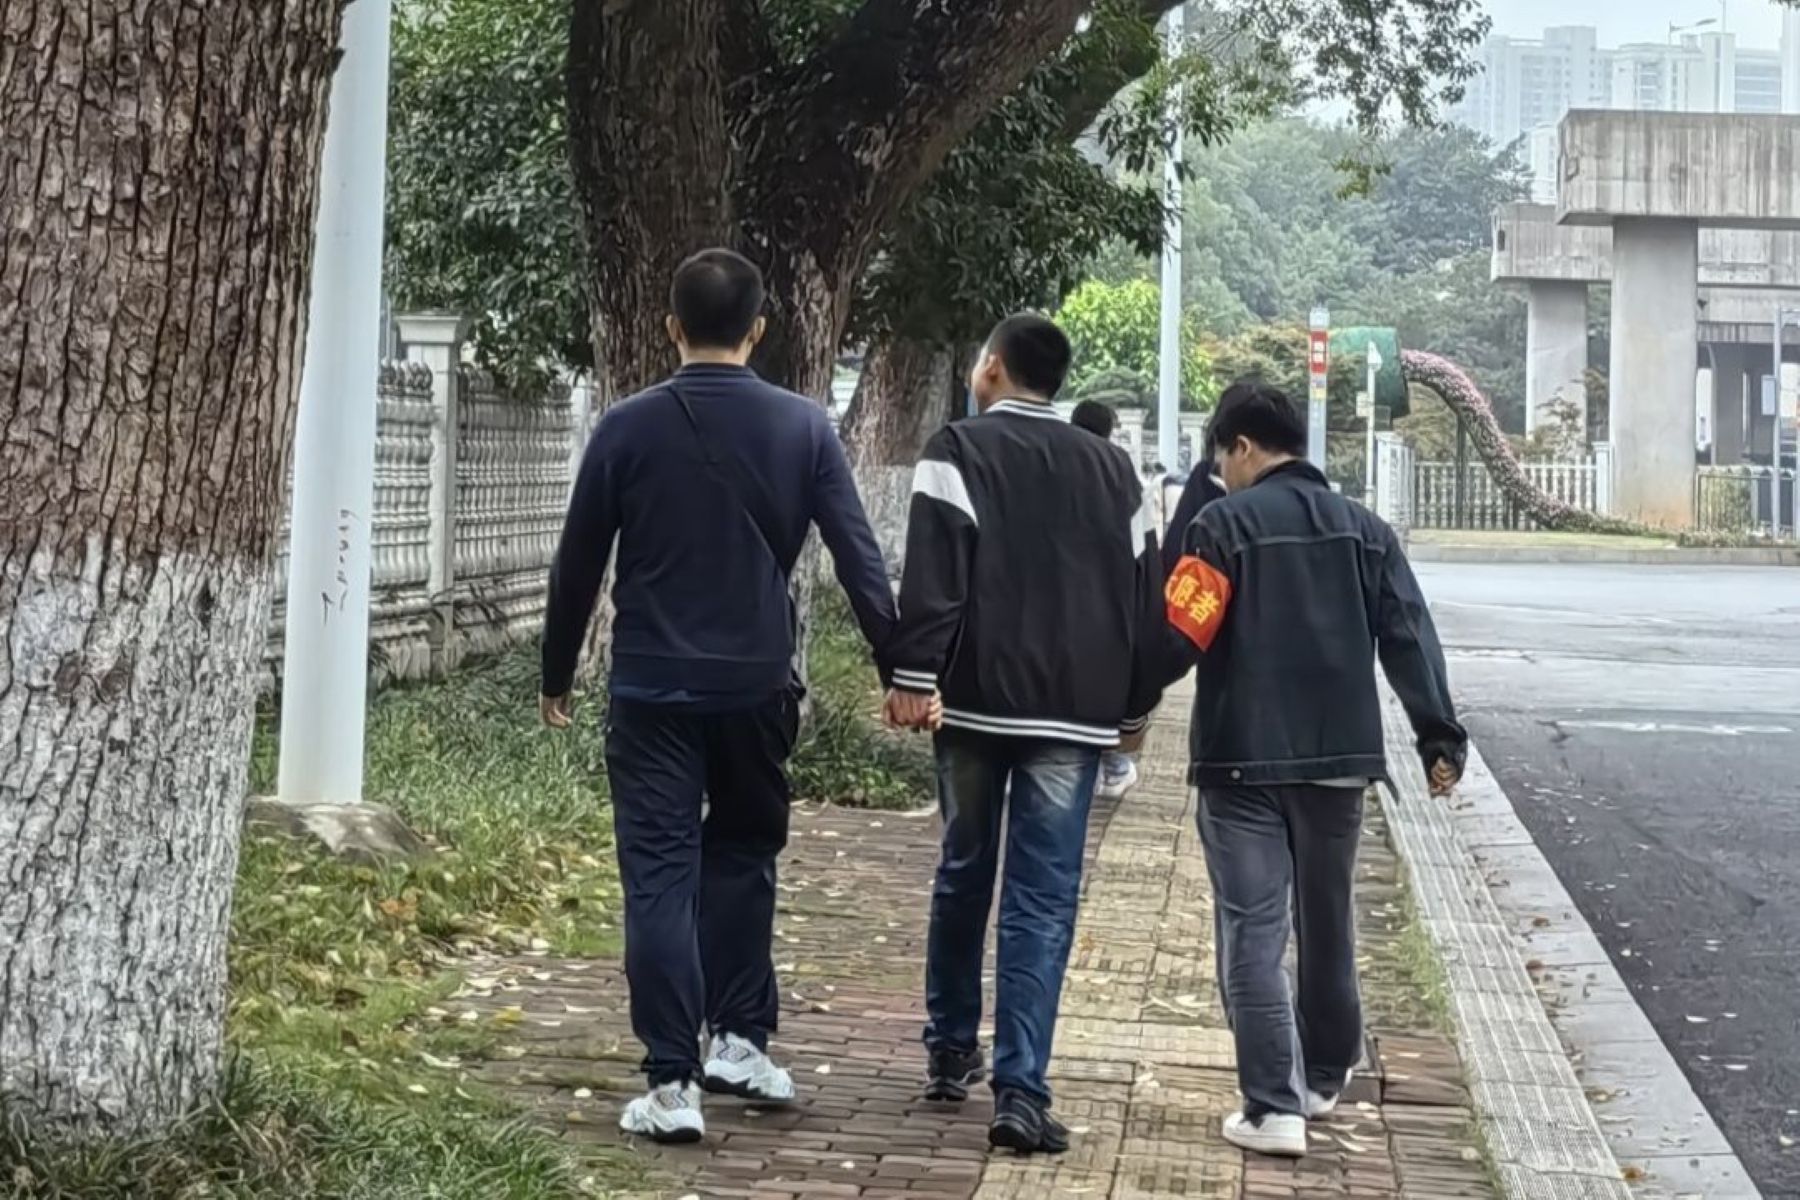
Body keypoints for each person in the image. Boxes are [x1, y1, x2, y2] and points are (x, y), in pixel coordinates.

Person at [540, 248, 899, 1143]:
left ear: (672, 327)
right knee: (742, 858)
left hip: (651, 686)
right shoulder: (804, 428)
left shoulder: (626, 428)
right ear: (759, 329)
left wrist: (556, 674)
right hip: (757, 686)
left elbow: (578, 562)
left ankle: (671, 1084)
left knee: (660, 875)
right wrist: (900, 667)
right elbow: (859, 557)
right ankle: (740, 1041)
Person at [1153, 382, 1466, 1158]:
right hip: (1340, 764)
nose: (1221, 475)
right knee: (1328, 922)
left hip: (1240, 762)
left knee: (1253, 932)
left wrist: (1119, 701)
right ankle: (1324, 1076)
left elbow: (1179, 637)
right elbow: (1408, 635)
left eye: (1221, 460)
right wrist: (1439, 737)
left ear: (1242, 447)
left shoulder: (1219, 527)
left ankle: (1272, 1107)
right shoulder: (1366, 530)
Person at [883, 314, 1165, 1155]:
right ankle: (1021, 1089)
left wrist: (914, 677)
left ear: (993, 368)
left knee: (964, 869)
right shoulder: (1115, 471)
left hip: (973, 705)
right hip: (1073, 714)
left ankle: (948, 1050)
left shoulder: (957, 449)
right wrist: (1132, 710)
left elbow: (934, 578)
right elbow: (1144, 598)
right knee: (1042, 896)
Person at [1069, 400, 1149, 801]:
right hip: (1104, 600)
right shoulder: (1117, 469)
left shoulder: (1051, 463)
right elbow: (1139, 547)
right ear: (1108, 431)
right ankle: (1111, 763)